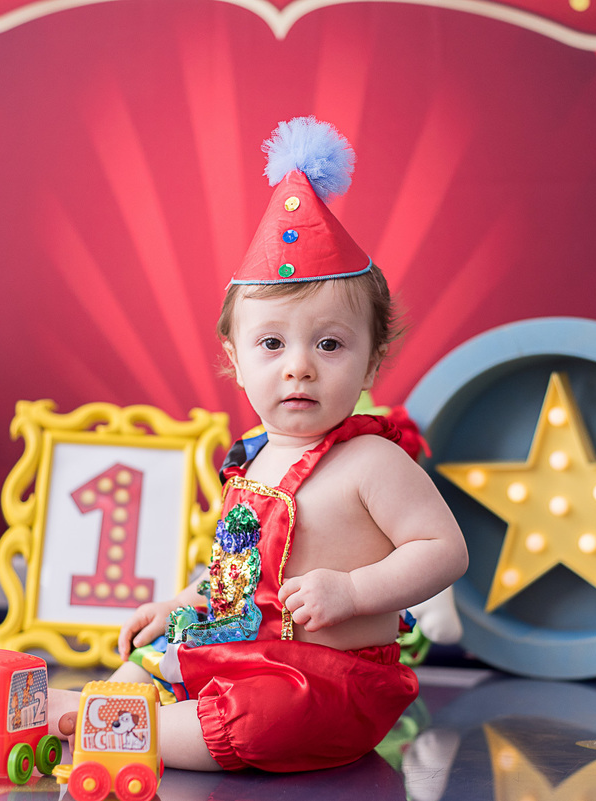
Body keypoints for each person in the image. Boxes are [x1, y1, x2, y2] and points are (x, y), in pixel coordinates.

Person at [48, 117, 467, 773]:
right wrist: (181, 602)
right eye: (272, 344)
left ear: (373, 359)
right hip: (247, 649)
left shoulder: (372, 461)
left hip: (328, 681)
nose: (298, 366)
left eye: (329, 343)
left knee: (269, 719)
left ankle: (124, 729)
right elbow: (237, 578)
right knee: (160, 653)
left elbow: (445, 551)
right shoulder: (252, 458)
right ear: (236, 360)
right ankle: (115, 707)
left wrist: (355, 591)